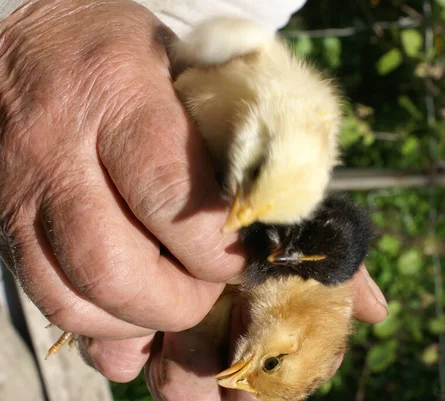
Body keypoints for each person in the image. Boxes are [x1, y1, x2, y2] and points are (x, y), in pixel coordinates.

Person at [0, 1, 388, 400]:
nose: (231, 378)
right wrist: (31, 19)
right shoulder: (299, 250)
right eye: (268, 364)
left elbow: (228, 19)